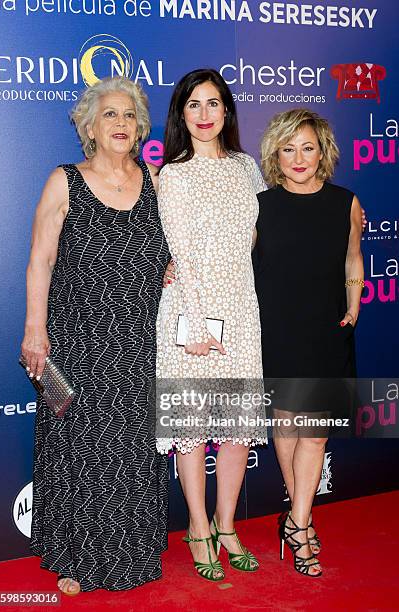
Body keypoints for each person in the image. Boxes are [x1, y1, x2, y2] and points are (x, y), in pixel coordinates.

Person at [21, 77, 170, 594]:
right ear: (89, 125)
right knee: (73, 443)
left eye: (129, 115)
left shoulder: (153, 180)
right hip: (73, 342)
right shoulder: (64, 180)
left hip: (137, 343)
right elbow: (40, 259)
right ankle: (76, 557)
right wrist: (34, 332)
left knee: (132, 446)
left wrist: (166, 266)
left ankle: (130, 549)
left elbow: (162, 249)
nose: (121, 124)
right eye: (109, 114)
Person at [155, 68, 266, 582]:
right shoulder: (171, 174)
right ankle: (198, 527)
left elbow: (267, 230)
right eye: (192, 105)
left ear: (226, 111)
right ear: (181, 114)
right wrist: (196, 323)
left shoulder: (247, 168)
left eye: (213, 103)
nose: (203, 115)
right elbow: (175, 250)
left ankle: (227, 524)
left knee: (238, 426)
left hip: (241, 308)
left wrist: (345, 218)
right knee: (193, 428)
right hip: (191, 310)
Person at [254, 108, 364, 577]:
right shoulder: (259, 205)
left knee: (315, 430)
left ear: (323, 153)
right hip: (275, 328)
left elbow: (353, 259)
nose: (299, 158)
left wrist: (354, 301)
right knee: (286, 426)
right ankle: (299, 517)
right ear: (276, 155)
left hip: (326, 329)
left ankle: (298, 522)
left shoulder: (347, 203)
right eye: (288, 148)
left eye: (308, 147)